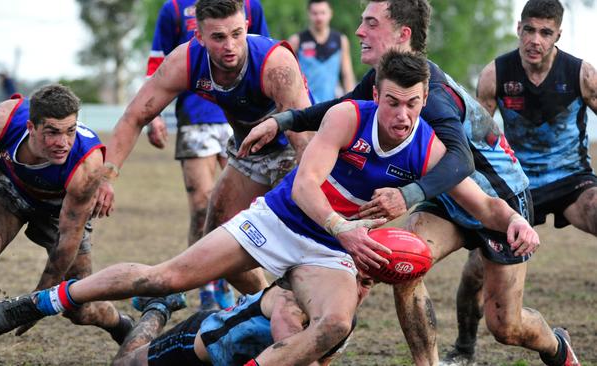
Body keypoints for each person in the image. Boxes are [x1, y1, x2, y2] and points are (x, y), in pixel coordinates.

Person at [0, 50, 539, 366]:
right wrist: (343, 227)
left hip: (333, 252)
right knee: (163, 276)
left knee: (334, 326)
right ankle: (43, 301)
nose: (400, 115)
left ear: (425, 101)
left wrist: (514, 221)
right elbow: (303, 187)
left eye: (412, 105)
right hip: (283, 221)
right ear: (378, 94)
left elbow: (482, 205)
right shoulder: (350, 117)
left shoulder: (428, 146)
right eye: (391, 101)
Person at [238, 1, 581, 365]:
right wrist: (285, 120)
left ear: (402, 35)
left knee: (506, 326)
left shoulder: (431, 95)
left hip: (498, 199)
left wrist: (408, 194)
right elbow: (341, 106)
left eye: (370, 23)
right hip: (445, 195)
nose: (359, 31)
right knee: (403, 264)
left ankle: (556, 347)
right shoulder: (385, 81)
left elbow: (460, 160)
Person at [92, 0, 313, 299]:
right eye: (218, 37)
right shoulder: (185, 60)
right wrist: (108, 177)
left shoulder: (276, 64)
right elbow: (135, 116)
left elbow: (306, 142)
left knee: (304, 243)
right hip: (249, 151)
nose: (230, 45)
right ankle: (266, 304)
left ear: (247, 26)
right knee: (216, 245)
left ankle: (320, 314)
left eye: (237, 34)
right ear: (198, 36)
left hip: (294, 150)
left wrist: (313, 200)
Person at [443, 0, 597, 364]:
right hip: (517, 186)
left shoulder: (582, 74)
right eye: (529, 30)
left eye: (545, 32)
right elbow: (478, 138)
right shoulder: (495, 75)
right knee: (475, 271)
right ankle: (464, 347)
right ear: (519, 28)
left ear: (558, 35)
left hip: (571, 179)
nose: (535, 40)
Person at [0, 85, 134, 366]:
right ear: (31, 127)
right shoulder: (5, 121)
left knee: (79, 309)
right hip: (10, 188)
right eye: (52, 132)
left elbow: (66, 242)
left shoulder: (87, 165)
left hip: (60, 209)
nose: (63, 142)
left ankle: (120, 324)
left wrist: (33, 307)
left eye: (70, 131)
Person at [144, 0, 270, 311]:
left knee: (240, 212)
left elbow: (265, 52)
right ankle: (206, 287)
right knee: (203, 206)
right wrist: (154, 115)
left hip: (242, 120)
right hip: (195, 118)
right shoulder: (174, 8)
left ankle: (238, 284)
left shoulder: (250, 6)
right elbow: (157, 62)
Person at [112, 273, 376, 366]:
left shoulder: (343, 321)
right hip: (195, 345)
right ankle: (158, 308)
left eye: (366, 283)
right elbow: (292, 352)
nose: (356, 291)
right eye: (352, 279)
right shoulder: (292, 300)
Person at [288, 0, 355, 103]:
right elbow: (288, 76)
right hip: (305, 106)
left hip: (332, 105)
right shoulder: (296, 41)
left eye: (322, 13)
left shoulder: (341, 40)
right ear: (308, 14)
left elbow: (347, 75)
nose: (319, 17)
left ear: (330, 14)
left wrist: (352, 102)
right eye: (315, 13)